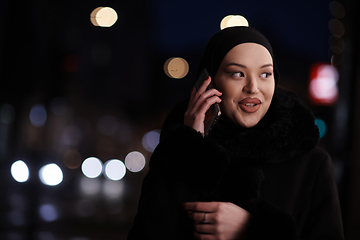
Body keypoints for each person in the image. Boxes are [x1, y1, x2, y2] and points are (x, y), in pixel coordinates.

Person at [127, 26, 344, 240]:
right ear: (208, 81)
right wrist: (189, 145)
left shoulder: (311, 164)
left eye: (265, 74)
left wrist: (251, 229)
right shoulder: (179, 151)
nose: (253, 87)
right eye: (238, 73)